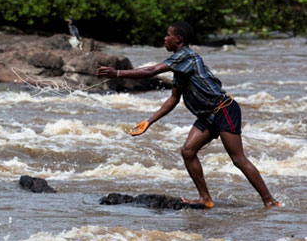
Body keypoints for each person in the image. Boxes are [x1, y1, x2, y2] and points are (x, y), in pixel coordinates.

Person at [97, 21, 280, 208]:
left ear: (178, 39)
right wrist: (149, 121)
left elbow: (151, 71)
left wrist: (118, 73)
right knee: (188, 151)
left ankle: (270, 201)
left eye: (168, 35)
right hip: (207, 116)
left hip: (224, 109)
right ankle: (206, 199)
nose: (165, 38)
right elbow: (173, 99)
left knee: (238, 159)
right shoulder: (179, 65)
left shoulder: (186, 56)